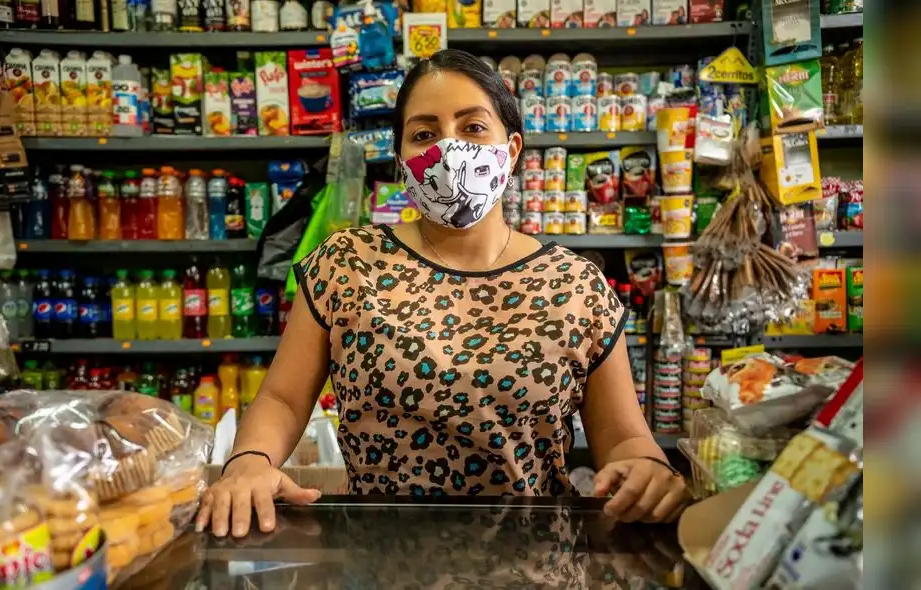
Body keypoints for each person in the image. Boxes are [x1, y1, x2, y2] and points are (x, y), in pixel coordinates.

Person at [196, 49, 691, 538]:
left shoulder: (577, 285)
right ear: (401, 161)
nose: (449, 150)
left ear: (512, 149)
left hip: (532, 560)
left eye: (473, 127)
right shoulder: (346, 263)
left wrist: (648, 472)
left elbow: (624, 439)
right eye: (424, 135)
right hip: (377, 558)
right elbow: (282, 399)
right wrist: (249, 462)